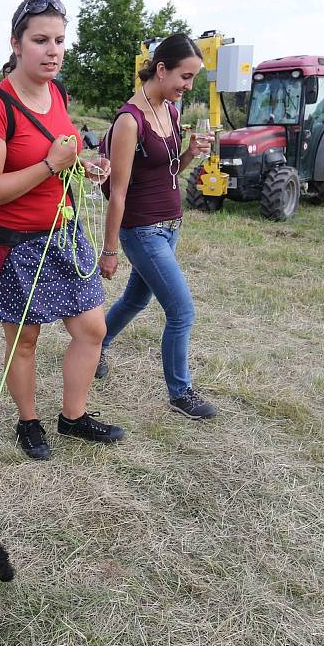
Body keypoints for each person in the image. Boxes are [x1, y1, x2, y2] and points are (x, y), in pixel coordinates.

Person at [0, 0, 124, 460]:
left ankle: (72, 418)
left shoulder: (57, 94)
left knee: (91, 328)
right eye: (40, 40)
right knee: (24, 339)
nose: (52, 50)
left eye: (59, 40)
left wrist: (80, 167)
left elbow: (63, 154)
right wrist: (49, 164)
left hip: (63, 235)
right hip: (14, 245)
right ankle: (28, 421)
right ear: (16, 43)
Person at [97, 34, 217, 420]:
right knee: (182, 312)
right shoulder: (129, 121)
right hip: (142, 230)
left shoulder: (171, 110)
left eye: (194, 78)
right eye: (185, 76)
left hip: (170, 226)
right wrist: (110, 249)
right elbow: (118, 191)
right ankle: (180, 393)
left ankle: (96, 345)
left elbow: (167, 172)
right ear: (161, 69)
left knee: (136, 299)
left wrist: (189, 155)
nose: (189, 86)